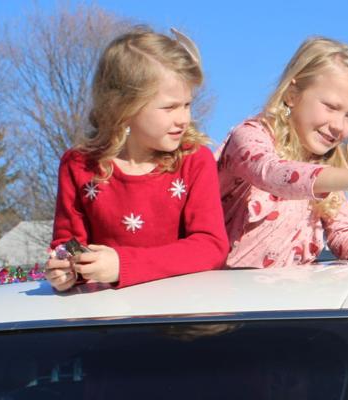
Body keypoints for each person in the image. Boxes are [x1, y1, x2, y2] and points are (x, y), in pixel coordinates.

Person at [46, 28, 228, 290]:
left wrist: (123, 265)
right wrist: (65, 269)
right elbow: (68, 244)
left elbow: (211, 246)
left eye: (187, 105)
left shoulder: (194, 160)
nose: (184, 118)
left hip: (181, 315)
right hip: (107, 322)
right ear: (124, 108)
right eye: (170, 107)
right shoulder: (78, 166)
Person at [218, 37, 348, 268]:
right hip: (219, 297)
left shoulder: (328, 168)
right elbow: (273, 174)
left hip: (287, 298)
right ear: (292, 95)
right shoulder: (249, 136)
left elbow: (342, 235)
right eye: (331, 107)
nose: (338, 125)